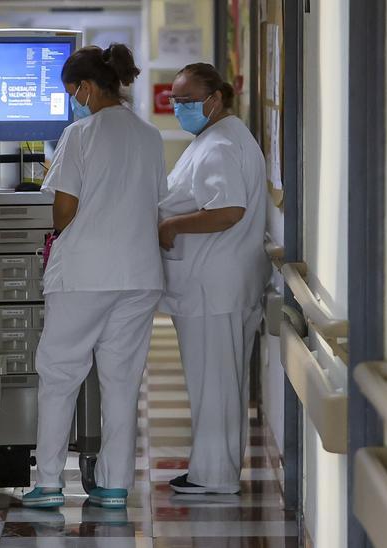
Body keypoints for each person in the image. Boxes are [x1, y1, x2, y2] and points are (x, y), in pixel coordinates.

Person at [22, 44, 165, 511]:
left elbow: (64, 208)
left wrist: (59, 229)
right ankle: (114, 484)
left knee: (59, 375)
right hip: (140, 273)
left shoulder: (80, 134)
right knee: (122, 381)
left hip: (85, 272)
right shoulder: (149, 135)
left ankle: (47, 483)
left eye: (70, 92)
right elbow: (154, 200)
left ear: (85, 87)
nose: (72, 101)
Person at [159, 63, 269, 495]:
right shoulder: (217, 138)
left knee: (215, 383)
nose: (180, 107)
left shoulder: (220, 145)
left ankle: (216, 475)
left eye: (188, 100)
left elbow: (228, 210)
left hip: (215, 285)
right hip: (219, 283)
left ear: (215, 98)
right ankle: (212, 469)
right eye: (176, 100)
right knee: (219, 381)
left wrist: (171, 227)